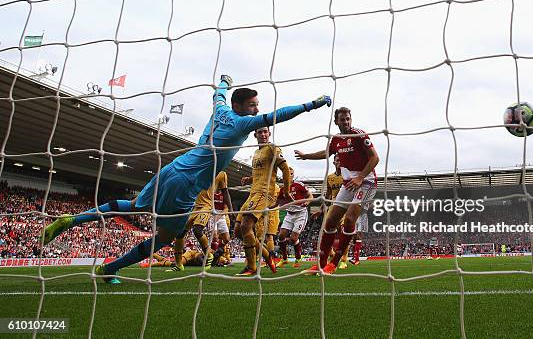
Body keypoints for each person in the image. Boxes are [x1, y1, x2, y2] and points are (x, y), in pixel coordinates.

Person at [41, 75, 331, 283]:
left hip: (172, 168)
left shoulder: (221, 110)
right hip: (186, 183)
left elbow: (218, 94)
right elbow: (279, 114)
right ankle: (111, 268)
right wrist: (312, 105)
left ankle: (72, 220)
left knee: (134, 206)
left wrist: (225, 84)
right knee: (165, 236)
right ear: (242, 107)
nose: (258, 108)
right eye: (254, 104)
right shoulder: (244, 122)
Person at [296, 107, 379, 275]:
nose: (346, 122)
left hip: (367, 182)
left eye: (348, 118)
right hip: (348, 183)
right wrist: (306, 156)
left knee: (349, 220)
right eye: (343, 119)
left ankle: (334, 263)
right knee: (331, 220)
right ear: (336, 122)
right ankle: (320, 263)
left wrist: (361, 177)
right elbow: (326, 153)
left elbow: (375, 158)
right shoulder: (336, 140)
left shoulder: (359, 135)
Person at [234, 126, 292, 276]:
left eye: (265, 131)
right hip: (253, 193)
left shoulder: (272, 148)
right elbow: (263, 171)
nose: (263, 134)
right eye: (260, 132)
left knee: (246, 226)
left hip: (265, 193)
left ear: (269, 133)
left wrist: (286, 190)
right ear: (255, 135)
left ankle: (252, 267)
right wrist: (250, 179)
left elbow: (285, 169)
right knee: (238, 231)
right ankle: (268, 256)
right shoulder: (256, 152)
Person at [169, 171, 232, 272]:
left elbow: (226, 192)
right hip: (195, 206)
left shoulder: (221, 173)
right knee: (180, 234)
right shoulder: (201, 167)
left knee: (197, 230)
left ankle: (209, 254)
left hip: (207, 206)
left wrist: (231, 210)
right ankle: (179, 264)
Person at [276, 167, 313, 268]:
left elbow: (310, 196)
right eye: (288, 173)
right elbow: (278, 202)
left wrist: (307, 202)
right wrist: (268, 208)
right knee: (281, 236)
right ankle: (284, 259)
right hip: (289, 214)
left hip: (301, 214)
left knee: (293, 238)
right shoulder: (282, 189)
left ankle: (298, 257)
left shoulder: (299, 185)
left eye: (291, 173)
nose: (290, 175)